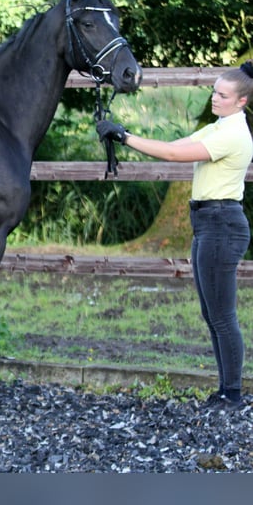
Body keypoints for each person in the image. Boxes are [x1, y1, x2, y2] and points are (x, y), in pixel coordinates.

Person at [97, 60, 253, 411]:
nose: (214, 98)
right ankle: (226, 389)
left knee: (223, 315)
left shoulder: (232, 134)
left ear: (241, 101)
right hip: (208, 223)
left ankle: (232, 393)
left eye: (223, 95)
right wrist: (128, 137)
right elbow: (171, 144)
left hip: (221, 224)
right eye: (213, 91)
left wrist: (123, 136)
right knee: (212, 313)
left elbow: (173, 155)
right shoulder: (218, 126)